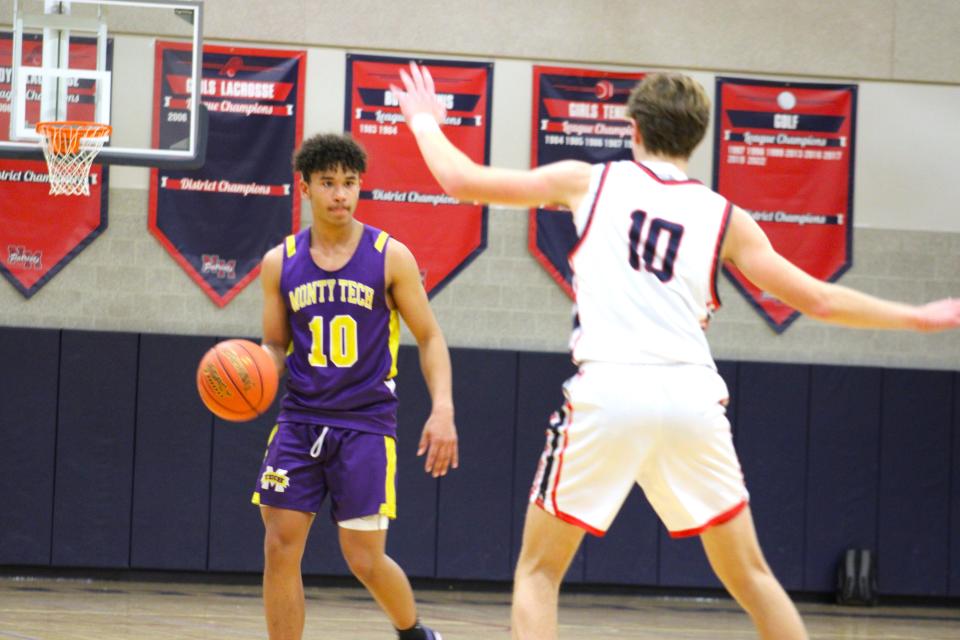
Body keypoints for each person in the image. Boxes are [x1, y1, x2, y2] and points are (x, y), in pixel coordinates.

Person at [391, 63, 960, 640]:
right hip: (692, 397)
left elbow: (460, 180)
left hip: (609, 392)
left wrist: (422, 119)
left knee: (539, 571)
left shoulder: (588, 180)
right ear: (699, 136)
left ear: (632, 127)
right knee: (753, 576)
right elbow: (819, 300)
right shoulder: (724, 217)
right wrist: (917, 317)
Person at [253, 132, 456, 640]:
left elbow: (429, 336)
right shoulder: (280, 261)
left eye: (349, 183)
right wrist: (254, 371)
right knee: (280, 544)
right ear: (305, 188)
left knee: (363, 557)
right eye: (328, 183)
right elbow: (276, 345)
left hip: (364, 423)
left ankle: (413, 633)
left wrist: (443, 409)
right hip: (299, 420)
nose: (340, 194)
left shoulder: (391, 256)